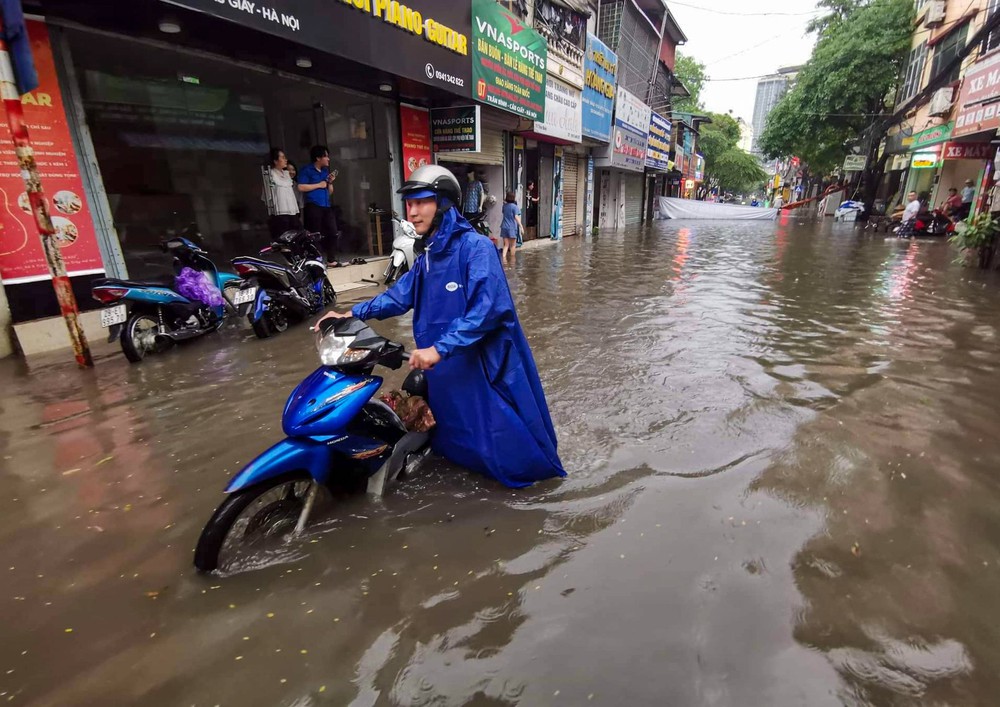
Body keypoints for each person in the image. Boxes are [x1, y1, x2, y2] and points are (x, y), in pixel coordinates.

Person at [314, 165, 565, 488]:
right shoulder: (429, 255)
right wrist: (351, 313)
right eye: (410, 204)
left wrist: (439, 348)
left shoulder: (476, 248)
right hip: (443, 369)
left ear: (444, 204)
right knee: (452, 443)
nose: (413, 212)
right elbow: (399, 296)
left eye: (422, 203)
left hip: (482, 367)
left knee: (506, 450)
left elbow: (487, 311)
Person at [298, 145, 340, 264]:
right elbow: (301, 186)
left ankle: (331, 259)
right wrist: (318, 185)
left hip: (326, 206)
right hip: (313, 206)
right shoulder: (306, 170)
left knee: (333, 232)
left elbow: (330, 192)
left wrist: (330, 183)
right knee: (314, 234)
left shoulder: (325, 172)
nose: (328, 159)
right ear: (318, 158)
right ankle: (315, 259)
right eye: (326, 156)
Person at [262, 147, 301, 240]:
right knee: (284, 238)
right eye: (282, 157)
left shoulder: (287, 174)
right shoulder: (270, 174)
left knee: (298, 234)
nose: (285, 160)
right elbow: (267, 195)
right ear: (275, 161)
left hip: (292, 211)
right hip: (280, 212)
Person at [500, 190, 523, 266]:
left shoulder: (504, 206)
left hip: (504, 226)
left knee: (506, 245)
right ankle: (512, 262)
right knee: (512, 245)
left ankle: (504, 261)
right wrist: (521, 226)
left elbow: (504, 213)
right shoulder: (515, 207)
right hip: (512, 227)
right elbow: (516, 217)